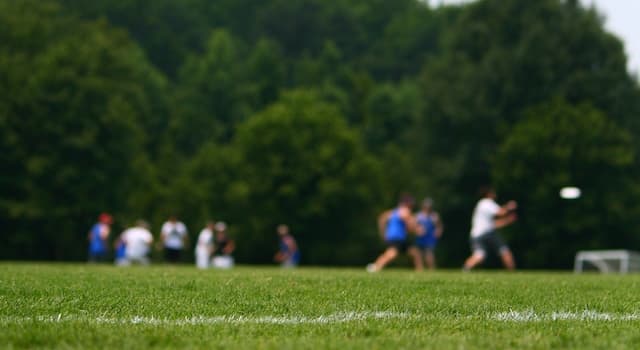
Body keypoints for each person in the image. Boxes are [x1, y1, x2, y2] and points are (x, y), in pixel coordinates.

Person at [463, 186, 518, 271]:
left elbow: (494, 224)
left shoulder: (481, 205)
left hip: (477, 234)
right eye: (493, 192)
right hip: (486, 234)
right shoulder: (487, 202)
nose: (495, 194)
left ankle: (465, 269)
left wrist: (508, 220)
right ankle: (512, 272)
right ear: (488, 194)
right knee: (504, 250)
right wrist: (509, 206)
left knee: (479, 255)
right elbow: (501, 212)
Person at [367, 194, 423, 272]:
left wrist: (383, 233)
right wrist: (417, 230)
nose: (412, 205)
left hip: (395, 237)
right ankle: (375, 267)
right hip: (397, 237)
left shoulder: (393, 212)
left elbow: (381, 218)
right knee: (392, 254)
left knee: (415, 252)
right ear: (406, 203)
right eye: (411, 203)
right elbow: (409, 226)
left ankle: (420, 271)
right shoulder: (405, 211)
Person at [414, 198, 444, 270]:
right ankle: (419, 268)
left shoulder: (434, 216)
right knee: (419, 253)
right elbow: (414, 225)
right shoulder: (418, 216)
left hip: (430, 237)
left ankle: (431, 268)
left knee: (429, 253)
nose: (428, 208)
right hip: (420, 237)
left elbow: (439, 226)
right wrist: (418, 230)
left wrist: (438, 232)